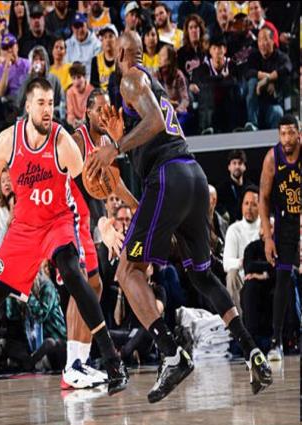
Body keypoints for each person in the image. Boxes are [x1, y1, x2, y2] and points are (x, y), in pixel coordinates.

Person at [86, 31, 272, 403]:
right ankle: (252, 351)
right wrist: (123, 141)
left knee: (127, 271)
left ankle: (171, 353)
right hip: (193, 178)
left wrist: (114, 148)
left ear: (121, 53)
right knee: (201, 275)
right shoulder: (150, 84)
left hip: (169, 176)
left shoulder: (130, 78)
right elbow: (152, 130)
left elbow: (154, 121)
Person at [0, 77, 128, 413]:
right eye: (42, 103)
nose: (48, 110)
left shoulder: (62, 141)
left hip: (58, 222)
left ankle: (112, 359)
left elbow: (89, 187)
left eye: (51, 104)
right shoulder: (9, 140)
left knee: (73, 273)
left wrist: (103, 223)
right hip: (23, 230)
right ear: (28, 106)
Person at [63, 88, 138, 389]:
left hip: (86, 219)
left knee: (94, 286)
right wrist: (103, 224)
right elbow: (78, 186)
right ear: (87, 113)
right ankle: (71, 365)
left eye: (108, 110)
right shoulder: (79, 140)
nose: (104, 116)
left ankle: (80, 362)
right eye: (99, 110)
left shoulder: (106, 143)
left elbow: (112, 184)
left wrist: (135, 205)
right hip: (68, 215)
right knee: (81, 285)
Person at [259, 114, 301, 361]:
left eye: (291, 133)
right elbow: (263, 199)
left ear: (299, 133)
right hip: (285, 222)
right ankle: (276, 341)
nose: (286, 138)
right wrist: (267, 237)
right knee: (283, 280)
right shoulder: (272, 158)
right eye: (282, 133)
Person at [245, 27, 292, 131]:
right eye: (260, 40)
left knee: (278, 112)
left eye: (265, 39)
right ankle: (252, 124)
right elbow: (247, 72)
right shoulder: (254, 56)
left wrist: (267, 80)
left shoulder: (281, 57)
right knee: (252, 82)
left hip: (273, 103)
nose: (262, 43)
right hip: (256, 105)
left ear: (272, 41)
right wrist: (266, 78)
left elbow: (287, 68)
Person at [223, 186, 261, 313]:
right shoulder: (234, 229)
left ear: (261, 206)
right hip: (242, 280)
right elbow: (226, 263)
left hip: (263, 277)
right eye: (246, 203)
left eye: (254, 204)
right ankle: (237, 321)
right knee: (231, 274)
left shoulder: (267, 226)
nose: (249, 208)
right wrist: (244, 262)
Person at [216, 149, 252, 223]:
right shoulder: (221, 189)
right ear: (229, 167)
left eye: (240, 163)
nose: (237, 166)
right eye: (234, 163)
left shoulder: (251, 188)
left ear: (244, 167)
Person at [65, 13, 101, 81]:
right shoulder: (67, 45)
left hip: (91, 82)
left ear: (86, 25)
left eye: (81, 26)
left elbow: (97, 70)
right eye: (76, 27)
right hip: (72, 82)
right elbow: (66, 68)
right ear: (72, 28)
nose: (80, 30)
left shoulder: (97, 44)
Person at [66, 62, 94, 129]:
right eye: (73, 78)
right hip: (75, 125)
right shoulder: (69, 92)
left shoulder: (91, 91)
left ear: (84, 77)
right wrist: (73, 122)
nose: (76, 81)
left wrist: (83, 122)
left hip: (89, 124)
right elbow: (70, 114)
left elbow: (92, 113)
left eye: (79, 77)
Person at [90, 24, 117, 91]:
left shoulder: (122, 59)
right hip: (102, 95)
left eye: (110, 36)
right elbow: (94, 85)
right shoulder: (95, 60)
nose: (107, 40)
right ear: (102, 41)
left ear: (117, 39)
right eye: (105, 37)